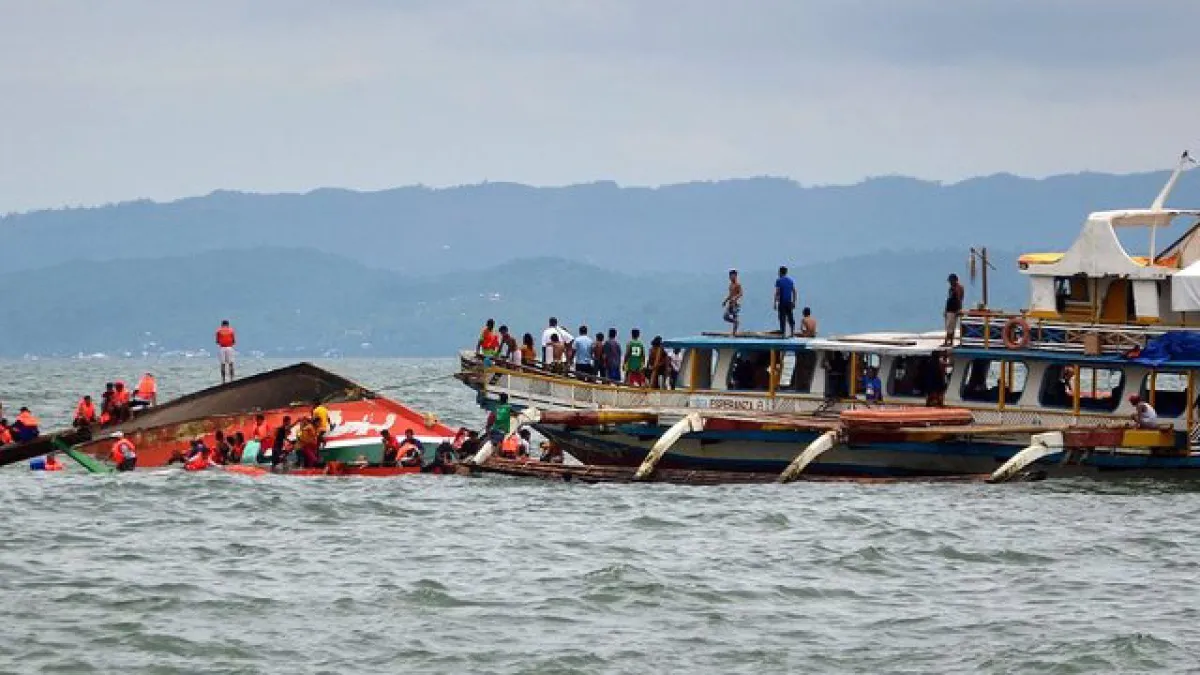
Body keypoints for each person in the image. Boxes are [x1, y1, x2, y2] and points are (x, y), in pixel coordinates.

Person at [774, 266, 797, 337]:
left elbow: (777, 292)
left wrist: (775, 302)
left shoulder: (779, 280)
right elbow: (794, 291)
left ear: (780, 272)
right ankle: (792, 333)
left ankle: (783, 333)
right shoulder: (790, 281)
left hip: (782, 302)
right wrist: (794, 301)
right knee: (790, 317)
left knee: (782, 317)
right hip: (789, 302)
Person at [944, 274, 965, 347]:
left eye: (951, 280)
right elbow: (949, 299)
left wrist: (959, 309)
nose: (950, 282)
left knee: (950, 326)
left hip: (954, 309)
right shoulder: (951, 288)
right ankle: (949, 342)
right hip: (949, 309)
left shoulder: (958, 288)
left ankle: (947, 341)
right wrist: (945, 310)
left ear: (955, 280)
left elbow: (960, 299)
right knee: (949, 326)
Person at [723, 269, 743, 335]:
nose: (731, 277)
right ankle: (735, 322)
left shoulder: (738, 285)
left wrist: (735, 298)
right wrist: (725, 301)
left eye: (732, 276)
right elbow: (730, 295)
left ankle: (734, 333)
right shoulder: (730, 285)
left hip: (735, 304)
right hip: (730, 304)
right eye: (730, 276)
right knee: (725, 316)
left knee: (735, 316)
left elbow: (741, 293)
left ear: (736, 276)